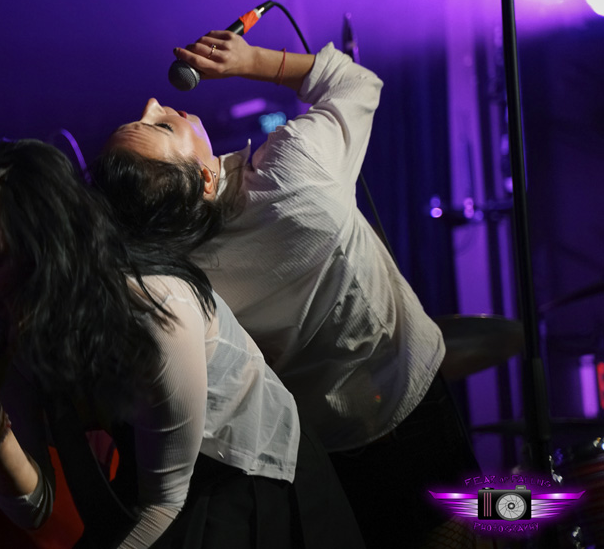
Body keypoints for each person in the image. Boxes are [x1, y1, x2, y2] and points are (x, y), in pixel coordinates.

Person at [92, 31, 481, 548]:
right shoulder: (292, 171)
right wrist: (253, 61)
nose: (154, 102)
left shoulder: (168, 278)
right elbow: (356, 82)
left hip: (321, 447)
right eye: (159, 123)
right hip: (413, 404)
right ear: (205, 180)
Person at [0, 139, 363, 547]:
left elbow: (164, 503)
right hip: (155, 487)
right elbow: (34, 509)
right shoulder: (10, 324)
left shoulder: (154, 313)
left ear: (46, 249)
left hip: (246, 482)